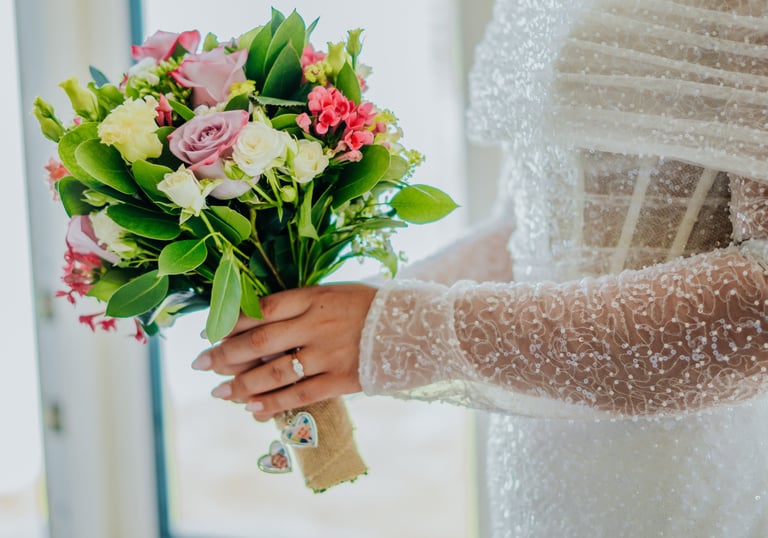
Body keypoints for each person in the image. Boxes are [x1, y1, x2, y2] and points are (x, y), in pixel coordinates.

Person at [190, 0, 768, 535]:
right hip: (537, 463)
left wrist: (399, 331)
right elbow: (528, 234)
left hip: (683, 469)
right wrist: (336, 324)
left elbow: (761, 300)